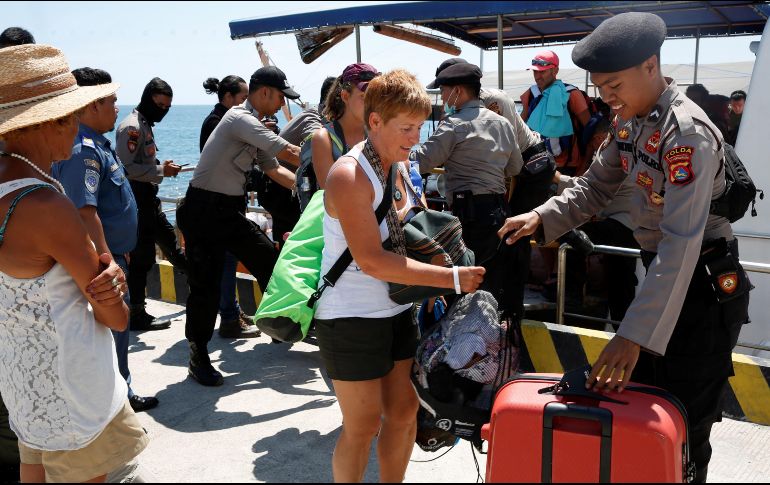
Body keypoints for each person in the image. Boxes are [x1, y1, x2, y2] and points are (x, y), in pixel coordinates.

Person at [498, 12, 750, 483]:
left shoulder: (685, 133)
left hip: (701, 287)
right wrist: (541, 217)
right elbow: (594, 187)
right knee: (650, 413)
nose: (606, 96)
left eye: (613, 84)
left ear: (650, 65)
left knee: (686, 424)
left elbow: (681, 241)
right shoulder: (631, 123)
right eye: (600, 87)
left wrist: (632, 335)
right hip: (662, 279)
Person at [316, 68, 485, 483]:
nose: (414, 138)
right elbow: (371, 260)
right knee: (362, 426)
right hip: (349, 315)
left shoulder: (400, 166)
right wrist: (452, 279)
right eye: (406, 128)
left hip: (395, 307)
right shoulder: (349, 174)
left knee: (405, 413)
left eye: (419, 127)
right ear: (375, 121)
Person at [0, 43, 148, 483]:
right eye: (72, 116)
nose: (77, 127)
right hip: (73, 384)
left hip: (24, 377)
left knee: (34, 468)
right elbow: (116, 317)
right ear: (53, 120)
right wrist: (114, 284)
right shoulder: (45, 204)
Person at [177, 65, 301, 386]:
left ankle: (275, 322)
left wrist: (314, 188)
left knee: (269, 261)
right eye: (280, 99)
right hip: (203, 208)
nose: (281, 106)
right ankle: (198, 354)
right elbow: (288, 151)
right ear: (265, 93)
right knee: (205, 285)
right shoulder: (238, 118)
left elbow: (276, 170)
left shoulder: (253, 126)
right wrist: (337, 165)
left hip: (229, 212)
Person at [51, 67, 162, 413]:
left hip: (115, 255)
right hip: (104, 261)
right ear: (90, 104)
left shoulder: (97, 145)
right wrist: (108, 258)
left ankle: (121, 393)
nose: (117, 108)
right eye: (111, 101)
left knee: (119, 332)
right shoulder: (82, 149)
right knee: (113, 332)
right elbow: (84, 213)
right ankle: (118, 401)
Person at [411, 62, 528, 317]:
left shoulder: (454, 124)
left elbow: (422, 161)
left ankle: (458, 350)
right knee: (489, 288)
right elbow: (515, 166)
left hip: (468, 215)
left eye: (444, 91)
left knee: (460, 287)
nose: (442, 97)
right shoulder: (503, 124)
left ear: (458, 92)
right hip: (499, 213)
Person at [115, 77, 187, 331]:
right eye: (159, 105)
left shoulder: (145, 123)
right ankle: (136, 313)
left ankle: (200, 293)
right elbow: (126, 168)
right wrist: (161, 171)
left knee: (172, 244)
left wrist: (160, 168)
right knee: (142, 257)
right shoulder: (132, 127)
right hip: (137, 200)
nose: (163, 111)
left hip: (149, 199)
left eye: (167, 107)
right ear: (147, 99)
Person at [199, 75, 259, 339]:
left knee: (228, 260)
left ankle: (231, 311)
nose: (246, 105)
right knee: (225, 261)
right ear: (228, 98)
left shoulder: (220, 120)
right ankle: (230, 317)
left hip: (228, 200)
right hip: (221, 204)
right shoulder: (219, 122)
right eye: (243, 99)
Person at [520, 50, 591, 175]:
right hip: (535, 163)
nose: (537, 76)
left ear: (555, 71)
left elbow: (590, 130)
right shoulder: (531, 94)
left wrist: (584, 165)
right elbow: (520, 127)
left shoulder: (572, 94)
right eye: (535, 71)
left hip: (568, 165)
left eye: (542, 71)